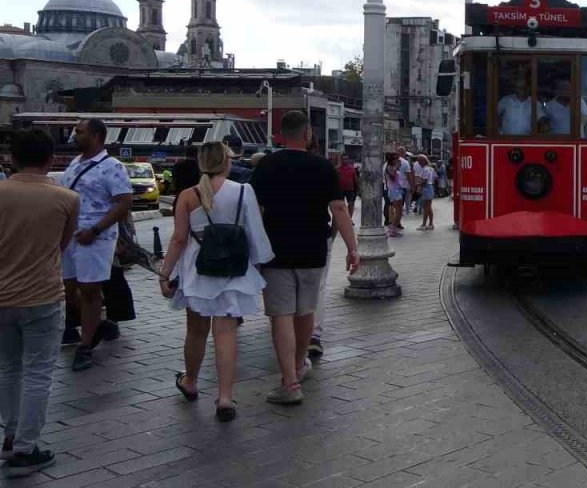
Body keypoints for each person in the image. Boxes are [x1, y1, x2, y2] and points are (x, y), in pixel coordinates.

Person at [249, 110, 360, 405]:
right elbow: (339, 210)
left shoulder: (266, 166)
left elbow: (255, 213)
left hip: (276, 251)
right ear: (308, 134)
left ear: (281, 135)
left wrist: (252, 249)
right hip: (314, 249)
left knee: (281, 315)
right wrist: (353, 248)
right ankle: (299, 367)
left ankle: (290, 382)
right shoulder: (323, 167)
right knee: (305, 312)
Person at [158, 142, 273, 423]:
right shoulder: (244, 191)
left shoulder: (188, 195)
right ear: (226, 162)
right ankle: (224, 398)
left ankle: (191, 381)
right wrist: (258, 266)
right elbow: (255, 234)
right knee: (226, 334)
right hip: (233, 272)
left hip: (198, 272)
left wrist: (165, 273)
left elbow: (178, 239)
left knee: (196, 331)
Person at [0, 129, 77, 476]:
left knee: (7, 367)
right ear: (51, 160)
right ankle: (25, 449)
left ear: (11, 158)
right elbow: (61, 245)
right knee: (38, 372)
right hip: (43, 295)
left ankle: (10, 434)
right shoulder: (66, 199)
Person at [57, 118, 133, 371]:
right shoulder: (74, 164)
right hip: (71, 237)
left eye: (80, 132)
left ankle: (85, 345)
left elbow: (123, 202)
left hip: (96, 237)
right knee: (69, 288)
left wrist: (97, 229)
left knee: (90, 290)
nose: (74, 135)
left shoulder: (112, 166)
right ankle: (98, 325)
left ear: (97, 136)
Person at [383, 153, 407, 237]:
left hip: (397, 190)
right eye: (396, 159)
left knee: (399, 211)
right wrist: (397, 167)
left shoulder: (392, 167)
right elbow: (392, 176)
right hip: (394, 191)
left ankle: (394, 228)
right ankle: (392, 229)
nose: (398, 161)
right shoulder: (389, 167)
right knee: (398, 211)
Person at [414, 155, 437, 231]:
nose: (419, 162)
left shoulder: (425, 169)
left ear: (424, 160)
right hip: (429, 188)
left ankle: (424, 224)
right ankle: (430, 224)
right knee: (429, 207)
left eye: (420, 160)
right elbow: (434, 178)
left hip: (426, 188)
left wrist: (418, 184)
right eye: (418, 160)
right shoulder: (430, 169)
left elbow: (424, 180)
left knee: (426, 208)